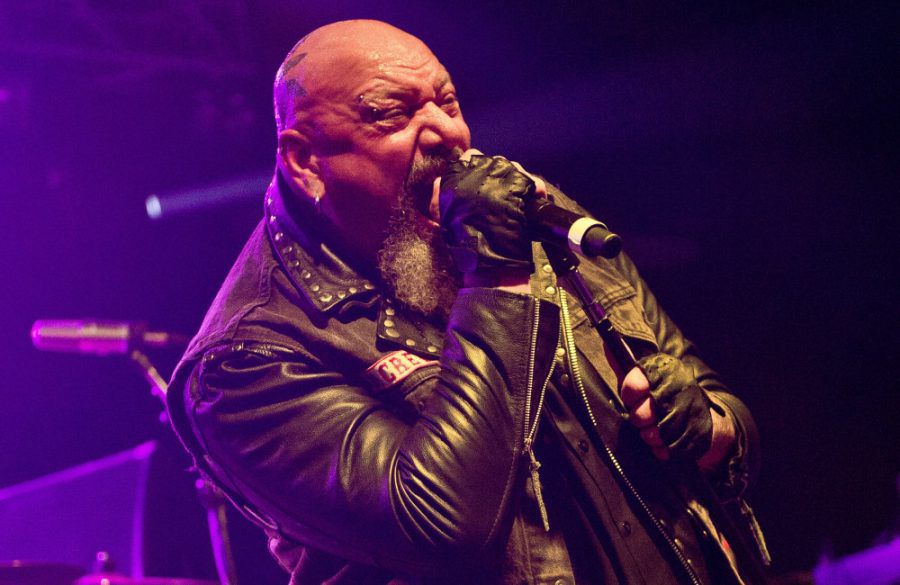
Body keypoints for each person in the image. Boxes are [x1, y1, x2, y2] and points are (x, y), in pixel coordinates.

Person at [166, 19, 769, 585]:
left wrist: (708, 429)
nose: (450, 135)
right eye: (391, 114)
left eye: (447, 103)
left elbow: (720, 405)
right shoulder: (245, 359)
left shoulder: (522, 221)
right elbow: (442, 525)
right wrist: (499, 283)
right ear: (306, 162)